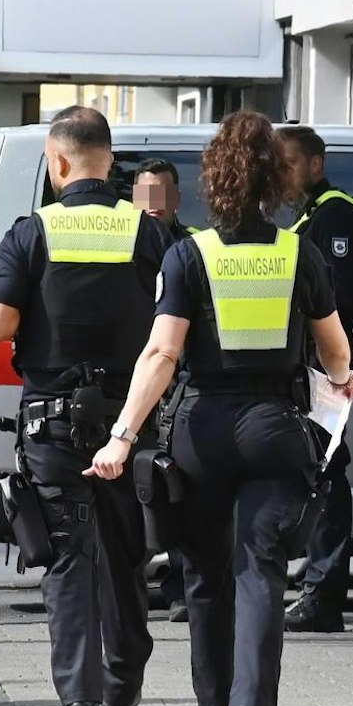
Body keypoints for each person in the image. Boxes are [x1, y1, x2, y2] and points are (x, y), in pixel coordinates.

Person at [88, 111, 353, 706]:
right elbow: (333, 352)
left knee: (206, 575)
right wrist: (343, 379)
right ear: (274, 178)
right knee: (260, 571)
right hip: (274, 429)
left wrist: (123, 434)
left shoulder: (189, 255)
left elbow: (160, 353)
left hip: (201, 431)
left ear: (216, 182)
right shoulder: (301, 253)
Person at [0, 107, 174, 706]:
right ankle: (121, 688)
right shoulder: (149, 234)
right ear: (109, 161)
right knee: (126, 557)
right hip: (129, 423)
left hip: (53, 426)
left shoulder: (32, 233)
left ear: (57, 163)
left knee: (66, 562)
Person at [278, 126, 353, 634]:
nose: (281, 175)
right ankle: (314, 579)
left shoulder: (337, 215)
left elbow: (339, 303)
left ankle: (323, 594)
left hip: (326, 364)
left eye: (289, 163)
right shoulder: (309, 217)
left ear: (316, 164)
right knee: (311, 469)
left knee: (327, 471)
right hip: (307, 363)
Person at [133, 158, 195, 623]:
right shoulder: (124, 244)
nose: (153, 204)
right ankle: (131, 585)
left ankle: (179, 586)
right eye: (145, 193)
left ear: (175, 198)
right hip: (132, 381)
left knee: (177, 489)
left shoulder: (191, 247)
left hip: (179, 384)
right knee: (133, 490)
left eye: (162, 194)